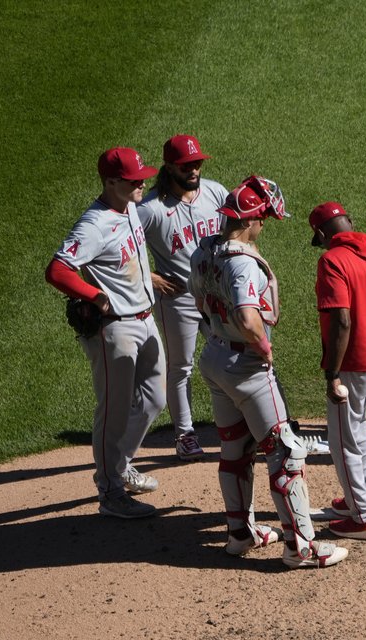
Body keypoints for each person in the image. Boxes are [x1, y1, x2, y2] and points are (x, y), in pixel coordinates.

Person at [189, 176, 347, 569]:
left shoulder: (203, 250)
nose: (265, 226)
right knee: (287, 451)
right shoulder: (242, 263)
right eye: (264, 220)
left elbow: (198, 301)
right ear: (252, 218)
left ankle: (240, 535)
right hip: (246, 365)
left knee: (235, 448)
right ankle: (302, 548)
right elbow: (247, 315)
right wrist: (263, 346)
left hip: (214, 357)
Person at [45, 147, 167, 519]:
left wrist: (150, 280)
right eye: (133, 179)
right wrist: (96, 296)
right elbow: (58, 270)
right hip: (115, 330)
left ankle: (119, 466)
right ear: (110, 182)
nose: (142, 182)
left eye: (142, 176)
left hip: (146, 320)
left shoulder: (129, 206)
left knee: (154, 399)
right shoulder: (93, 225)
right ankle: (110, 492)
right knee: (113, 411)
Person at [309, 202, 366, 541]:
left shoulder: (332, 261)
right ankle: (359, 497)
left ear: (322, 234)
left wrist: (332, 373)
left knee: (343, 438)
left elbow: (342, 319)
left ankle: (364, 517)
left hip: (354, 364)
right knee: (358, 424)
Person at [137, 134, 230, 462]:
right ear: (169, 166)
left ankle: (236, 422)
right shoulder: (150, 208)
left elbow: (234, 230)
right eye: (185, 164)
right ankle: (185, 435)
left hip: (216, 292)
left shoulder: (216, 192)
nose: (193, 169)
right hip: (178, 300)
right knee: (181, 367)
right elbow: (120, 247)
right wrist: (151, 277)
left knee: (231, 353)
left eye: (197, 162)